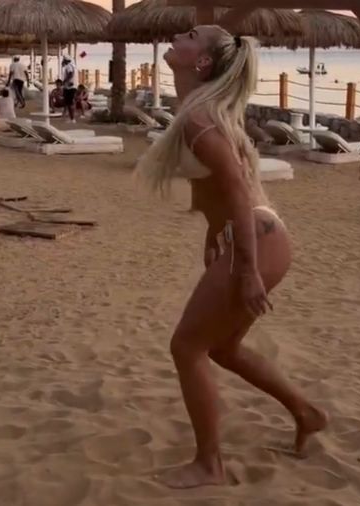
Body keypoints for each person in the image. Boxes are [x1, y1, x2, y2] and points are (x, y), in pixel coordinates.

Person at [135, 25, 327, 489]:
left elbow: (239, 190)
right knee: (221, 348)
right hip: (255, 237)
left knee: (187, 347)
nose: (178, 36)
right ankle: (306, 412)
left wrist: (246, 269)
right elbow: (215, 187)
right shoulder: (200, 111)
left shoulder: (200, 118)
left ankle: (210, 465)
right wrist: (212, 233)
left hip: (257, 241)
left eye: (190, 35)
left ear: (202, 61)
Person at [61, 56, 77, 122]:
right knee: (69, 103)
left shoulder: (68, 66)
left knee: (69, 103)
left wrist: (65, 81)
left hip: (69, 87)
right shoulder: (73, 65)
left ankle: (72, 118)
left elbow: (70, 74)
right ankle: (71, 117)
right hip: (72, 86)